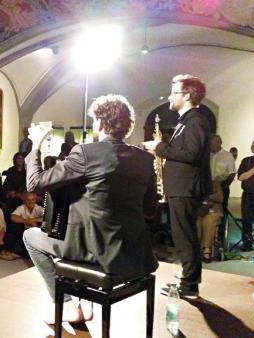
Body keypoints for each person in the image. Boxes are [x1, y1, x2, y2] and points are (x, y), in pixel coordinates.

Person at [25, 94, 158, 323]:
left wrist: (36, 145)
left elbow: (35, 183)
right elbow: (150, 210)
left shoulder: (87, 153)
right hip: (136, 253)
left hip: (97, 251)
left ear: (100, 122)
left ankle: (65, 304)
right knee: (84, 229)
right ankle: (85, 301)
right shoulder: (145, 159)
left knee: (30, 236)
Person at [144, 74, 211, 298]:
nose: (170, 96)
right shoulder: (187, 121)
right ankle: (187, 280)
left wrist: (159, 147)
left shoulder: (196, 120)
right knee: (183, 235)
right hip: (181, 188)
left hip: (186, 188)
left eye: (174, 92)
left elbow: (191, 154)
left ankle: (189, 284)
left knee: (185, 236)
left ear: (188, 95)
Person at [196, 181, 224, 263]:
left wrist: (206, 196)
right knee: (196, 222)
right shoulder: (193, 182)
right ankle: (196, 248)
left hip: (213, 210)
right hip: (198, 210)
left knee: (209, 221)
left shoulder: (215, 183)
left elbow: (220, 198)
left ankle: (206, 249)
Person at [209, 134, 236, 208]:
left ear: (219, 143)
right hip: (208, 185)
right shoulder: (208, 155)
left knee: (222, 208)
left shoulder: (227, 156)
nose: (210, 146)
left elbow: (232, 173)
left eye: (212, 143)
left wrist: (225, 186)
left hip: (221, 184)